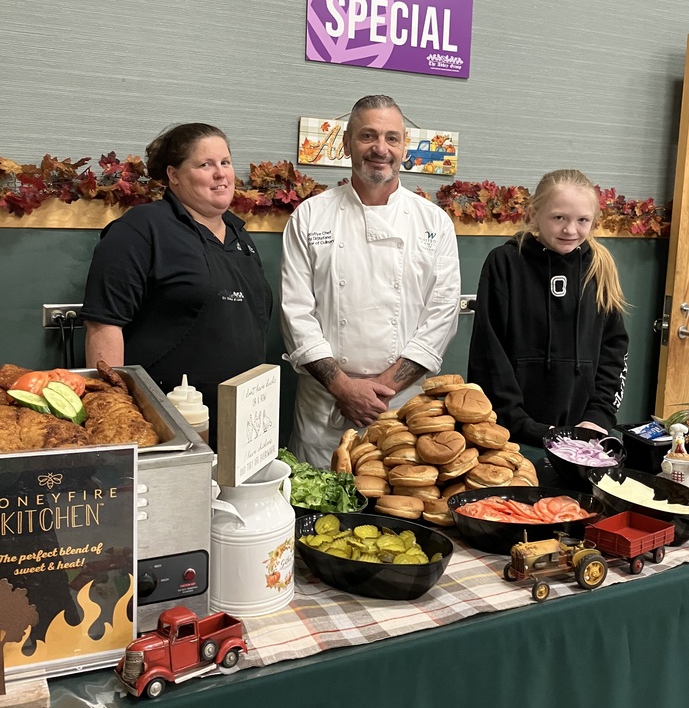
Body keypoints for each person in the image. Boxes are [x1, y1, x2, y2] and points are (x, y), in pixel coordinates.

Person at [280, 94, 461, 469]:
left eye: (392, 138)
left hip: (400, 410)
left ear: (404, 146)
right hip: (325, 408)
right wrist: (344, 388)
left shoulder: (434, 222)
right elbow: (296, 314)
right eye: (368, 136)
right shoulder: (310, 216)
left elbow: (440, 318)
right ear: (346, 144)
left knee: (398, 510)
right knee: (315, 509)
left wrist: (379, 392)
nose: (381, 148)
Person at [82, 122, 273, 450]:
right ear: (173, 175)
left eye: (225, 163)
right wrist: (116, 416)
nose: (221, 174)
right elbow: (104, 324)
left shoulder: (241, 237)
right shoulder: (139, 231)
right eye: (205, 164)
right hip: (163, 424)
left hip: (244, 424)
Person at [468, 168, 628, 448]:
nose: (570, 229)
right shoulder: (504, 263)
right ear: (533, 214)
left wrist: (598, 418)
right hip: (513, 436)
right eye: (559, 218)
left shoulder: (600, 268)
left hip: (583, 438)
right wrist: (522, 425)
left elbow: (614, 351)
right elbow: (489, 355)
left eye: (582, 220)